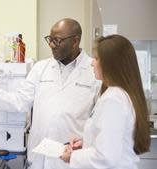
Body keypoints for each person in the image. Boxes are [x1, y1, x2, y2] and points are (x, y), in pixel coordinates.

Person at [0, 18, 100, 169]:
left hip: (72, 162)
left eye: (57, 40)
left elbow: (99, 123)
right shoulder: (41, 68)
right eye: (50, 40)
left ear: (75, 41)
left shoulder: (94, 72)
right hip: (39, 159)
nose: (52, 45)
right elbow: (20, 101)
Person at [60, 35, 151, 169]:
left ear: (110, 64)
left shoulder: (113, 99)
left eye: (96, 59)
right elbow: (113, 142)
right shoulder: (121, 94)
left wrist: (72, 157)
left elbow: (106, 157)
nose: (92, 63)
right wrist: (87, 142)